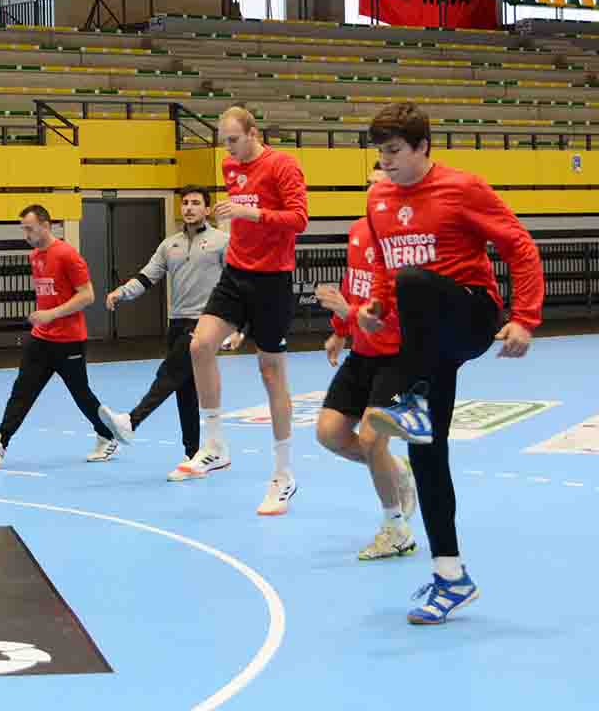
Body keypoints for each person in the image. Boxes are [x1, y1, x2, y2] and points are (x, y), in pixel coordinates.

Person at [357, 102, 544, 625]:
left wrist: (525, 318)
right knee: (426, 451)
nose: (386, 161)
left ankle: (412, 400)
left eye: (395, 151)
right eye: (381, 152)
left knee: (416, 281)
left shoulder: (463, 188)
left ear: (422, 147)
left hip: (470, 315)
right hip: (425, 341)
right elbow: (387, 268)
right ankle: (451, 576)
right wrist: (376, 307)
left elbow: (520, 247)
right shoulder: (377, 198)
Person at [182, 106, 309, 516]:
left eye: (234, 140)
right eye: (225, 142)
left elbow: (299, 219)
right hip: (236, 273)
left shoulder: (283, 165)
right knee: (200, 345)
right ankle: (215, 444)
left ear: (254, 133)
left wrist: (249, 212)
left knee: (271, 373)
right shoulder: (229, 166)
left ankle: (283, 475)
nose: (229, 149)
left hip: (273, 280)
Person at [315, 162, 418, 561]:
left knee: (374, 438)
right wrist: (340, 329)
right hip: (363, 352)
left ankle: (395, 529)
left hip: (398, 356)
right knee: (329, 434)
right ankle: (396, 471)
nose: (373, 192)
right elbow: (353, 284)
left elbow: (398, 310)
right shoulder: (359, 230)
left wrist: (350, 312)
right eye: (369, 185)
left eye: (381, 185)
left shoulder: (406, 241)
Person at [99, 185, 242, 469]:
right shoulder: (169, 245)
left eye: (195, 203)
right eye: (185, 202)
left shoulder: (222, 242)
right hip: (176, 322)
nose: (189, 207)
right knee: (184, 389)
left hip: (205, 322)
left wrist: (237, 325)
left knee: (170, 372)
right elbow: (147, 276)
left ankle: (132, 420)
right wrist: (121, 292)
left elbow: (237, 283)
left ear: (207, 209)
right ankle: (192, 454)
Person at [0, 204, 118, 467]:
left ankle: (107, 436)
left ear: (46, 226)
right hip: (41, 338)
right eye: (23, 229)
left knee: (81, 393)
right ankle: (0, 442)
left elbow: (87, 295)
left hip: (69, 340)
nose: (26, 234)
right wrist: (43, 317)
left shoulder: (67, 255)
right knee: (22, 390)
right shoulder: (35, 256)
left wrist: (52, 314)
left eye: (30, 229)